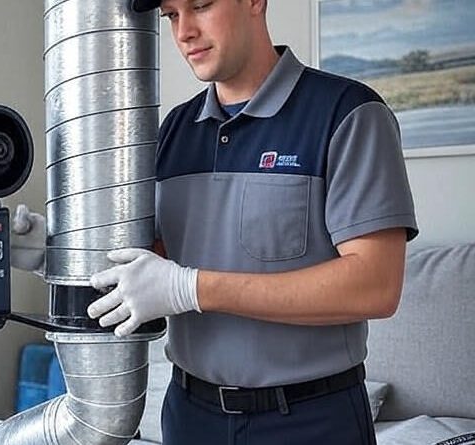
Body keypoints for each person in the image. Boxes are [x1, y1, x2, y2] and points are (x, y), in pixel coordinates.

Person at [83, 0, 419, 443]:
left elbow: (375, 286)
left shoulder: (348, 113)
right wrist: (56, 252)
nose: (184, 32)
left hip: (310, 422)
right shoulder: (174, 131)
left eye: (200, 5)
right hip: (189, 417)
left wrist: (191, 288)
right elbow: (149, 264)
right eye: (172, 15)